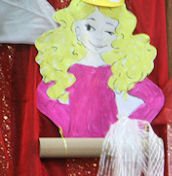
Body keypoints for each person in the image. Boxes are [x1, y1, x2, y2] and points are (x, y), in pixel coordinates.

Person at [35, 0, 164, 137]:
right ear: (75, 28)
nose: (99, 37)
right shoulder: (64, 75)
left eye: (109, 31)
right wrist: (68, 124)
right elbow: (45, 95)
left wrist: (127, 130)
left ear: (119, 35)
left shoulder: (122, 72)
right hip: (74, 152)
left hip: (115, 152)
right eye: (90, 27)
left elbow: (154, 98)